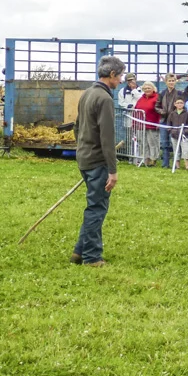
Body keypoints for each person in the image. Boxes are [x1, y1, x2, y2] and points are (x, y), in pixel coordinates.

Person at [71, 55, 124, 267]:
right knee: (96, 208)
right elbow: (107, 138)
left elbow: (76, 127)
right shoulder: (104, 99)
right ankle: (92, 257)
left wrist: (82, 148)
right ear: (111, 74)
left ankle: (79, 251)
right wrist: (113, 170)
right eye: (119, 76)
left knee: (94, 205)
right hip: (97, 162)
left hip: (84, 158)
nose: (120, 80)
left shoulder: (87, 94)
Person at [155, 73, 186, 168]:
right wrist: (162, 111)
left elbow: (182, 106)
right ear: (166, 82)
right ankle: (165, 163)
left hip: (175, 121)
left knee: (175, 143)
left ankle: (176, 164)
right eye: (169, 81)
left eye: (173, 81)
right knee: (164, 143)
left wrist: (175, 113)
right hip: (164, 121)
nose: (171, 82)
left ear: (175, 81)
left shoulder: (179, 93)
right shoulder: (162, 93)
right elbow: (156, 106)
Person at [135, 81, 161, 167]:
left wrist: (158, 122)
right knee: (143, 143)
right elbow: (136, 110)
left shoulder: (157, 98)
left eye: (149, 88)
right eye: (145, 88)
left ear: (153, 89)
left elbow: (159, 111)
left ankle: (153, 159)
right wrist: (134, 123)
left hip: (152, 124)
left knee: (152, 143)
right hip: (141, 125)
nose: (147, 90)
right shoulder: (141, 99)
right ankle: (145, 159)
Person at [166, 97, 188, 169]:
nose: (179, 104)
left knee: (185, 150)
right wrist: (171, 131)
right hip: (174, 135)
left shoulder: (187, 114)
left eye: (181, 103)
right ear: (175, 104)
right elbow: (168, 124)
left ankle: (187, 166)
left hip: (184, 136)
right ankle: (177, 166)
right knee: (176, 150)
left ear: (183, 104)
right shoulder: (172, 114)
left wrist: (184, 132)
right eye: (178, 103)